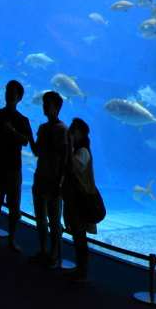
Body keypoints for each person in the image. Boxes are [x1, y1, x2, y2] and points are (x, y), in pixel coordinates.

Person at [0, 80, 32, 251]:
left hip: (13, 169)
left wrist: (12, 131)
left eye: (13, 92)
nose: (9, 95)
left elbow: (26, 142)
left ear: (19, 98)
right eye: (8, 91)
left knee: (14, 206)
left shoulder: (23, 120)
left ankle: (11, 238)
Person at [31, 91, 68, 268]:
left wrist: (61, 182)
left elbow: (65, 158)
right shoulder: (43, 128)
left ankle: (54, 253)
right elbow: (36, 152)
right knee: (40, 218)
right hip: (40, 177)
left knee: (54, 220)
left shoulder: (62, 130)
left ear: (57, 107)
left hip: (53, 180)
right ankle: (43, 250)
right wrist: (29, 136)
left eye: (48, 104)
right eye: (44, 103)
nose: (44, 107)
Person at [62, 117, 98, 282]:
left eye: (73, 130)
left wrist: (68, 147)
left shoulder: (82, 151)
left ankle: (82, 271)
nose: (70, 132)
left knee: (80, 235)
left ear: (81, 133)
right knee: (77, 235)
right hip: (75, 200)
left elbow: (74, 167)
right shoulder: (78, 150)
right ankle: (80, 268)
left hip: (81, 201)